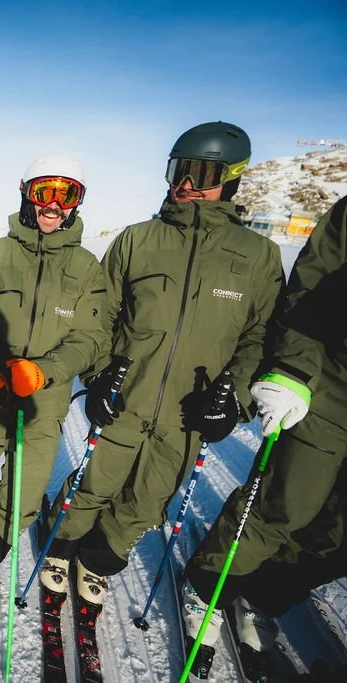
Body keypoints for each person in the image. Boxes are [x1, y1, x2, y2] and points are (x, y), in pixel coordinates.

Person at [41, 121, 284, 615]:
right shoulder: (138, 240)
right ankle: (62, 540)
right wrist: (98, 376)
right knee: (95, 480)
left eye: (199, 172)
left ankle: (100, 556)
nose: (185, 183)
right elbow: (100, 314)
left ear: (231, 178)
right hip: (128, 394)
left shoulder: (259, 256)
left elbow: (261, 336)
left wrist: (233, 397)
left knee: (149, 497)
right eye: (178, 169)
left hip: (189, 410)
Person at [0, 156, 109, 616]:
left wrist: (44, 370)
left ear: (76, 202)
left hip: (43, 406)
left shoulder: (88, 267)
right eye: (44, 191)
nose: (52, 204)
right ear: (27, 193)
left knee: (24, 497)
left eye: (65, 194)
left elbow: (92, 337)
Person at [183, 194, 347, 662]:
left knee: (339, 533)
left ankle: (263, 595)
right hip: (332, 377)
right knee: (286, 500)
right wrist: (294, 370)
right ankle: (209, 585)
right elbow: (312, 284)